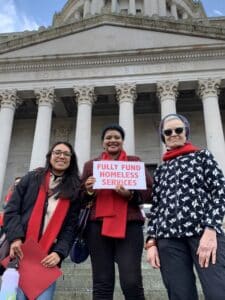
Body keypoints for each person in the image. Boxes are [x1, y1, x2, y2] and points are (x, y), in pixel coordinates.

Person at [146, 113, 225, 300]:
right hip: (168, 239)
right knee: (180, 294)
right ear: (163, 136)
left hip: (203, 235)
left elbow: (220, 191)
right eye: (168, 131)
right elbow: (155, 207)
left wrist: (211, 228)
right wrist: (151, 242)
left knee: (218, 291)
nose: (173, 134)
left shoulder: (202, 156)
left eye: (178, 130)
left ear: (186, 132)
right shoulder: (162, 169)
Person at [80, 124, 152, 300]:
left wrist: (130, 195)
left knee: (131, 281)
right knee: (102, 282)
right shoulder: (91, 166)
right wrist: (88, 189)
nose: (112, 140)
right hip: (97, 226)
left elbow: (149, 191)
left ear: (122, 141)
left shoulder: (135, 163)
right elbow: (78, 196)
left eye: (116, 137)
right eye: (108, 138)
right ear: (103, 143)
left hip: (130, 225)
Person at [3, 141, 81, 300]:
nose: (61, 156)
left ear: (71, 160)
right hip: (20, 253)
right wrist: (16, 238)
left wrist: (59, 253)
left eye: (66, 154)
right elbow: (12, 210)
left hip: (47, 259)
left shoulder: (75, 188)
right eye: (57, 152)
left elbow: (71, 227)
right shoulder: (31, 178)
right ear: (50, 156)